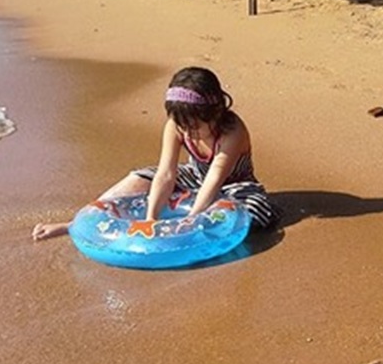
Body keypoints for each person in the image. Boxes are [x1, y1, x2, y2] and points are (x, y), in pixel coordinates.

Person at [32, 66, 281, 241]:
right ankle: (76, 224)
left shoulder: (232, 131)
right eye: (182, 125)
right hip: (193, 177)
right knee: (139, 177)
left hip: (234, 186)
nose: (188, 132)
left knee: (257, 213)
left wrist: (189, 222)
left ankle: (205, 225)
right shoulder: (176, 125)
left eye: (194, 126)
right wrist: (150, 219)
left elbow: (215, 178)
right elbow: (166, 174)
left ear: (215, 112)